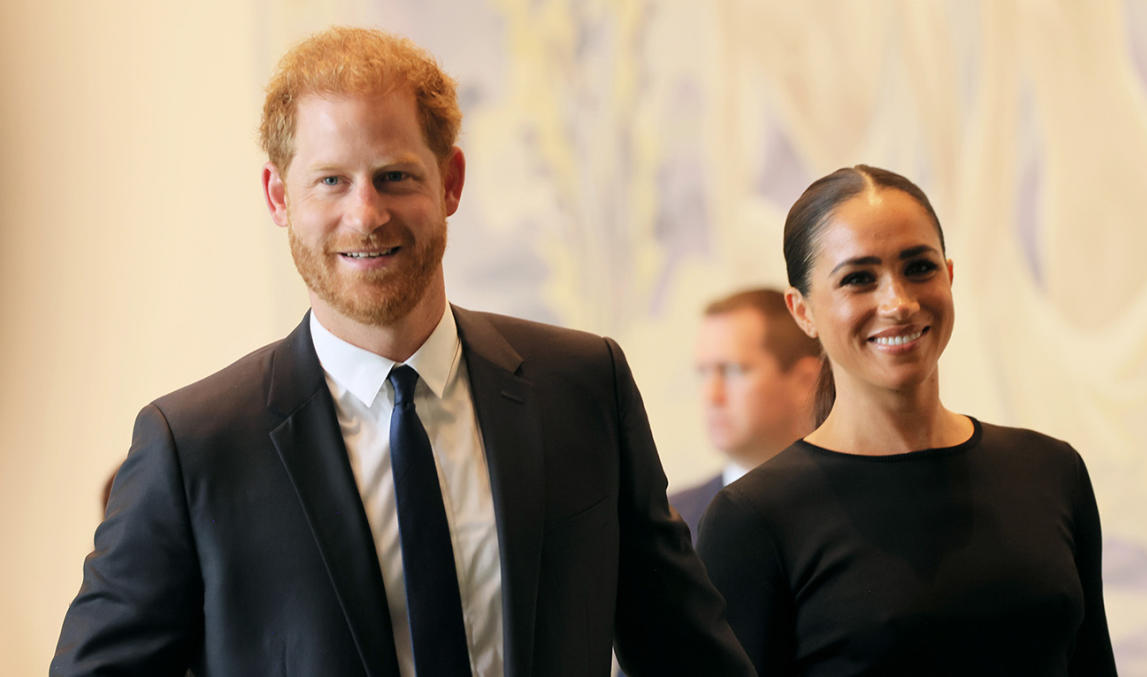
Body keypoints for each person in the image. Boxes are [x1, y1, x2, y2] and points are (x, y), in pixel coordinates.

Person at [51, 27, 754, 677]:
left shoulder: (583, 386)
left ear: (450, 181)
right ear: (277, 196)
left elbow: (687, 653)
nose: (366, 213)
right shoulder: (194, 446)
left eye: (395, 175)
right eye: (330, 180)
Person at [696, 165, 1117, 675]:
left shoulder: (1050, 470)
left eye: (919, 268)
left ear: (950, 275)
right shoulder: (755, 518)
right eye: (858, 279)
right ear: (802, 311)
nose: (897, 302)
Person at [677, 288, 821, 541]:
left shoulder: (855, 505)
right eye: (704, 373)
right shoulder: (671, 525)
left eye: (733, 370)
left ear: (806, 381)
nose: (712, 396)